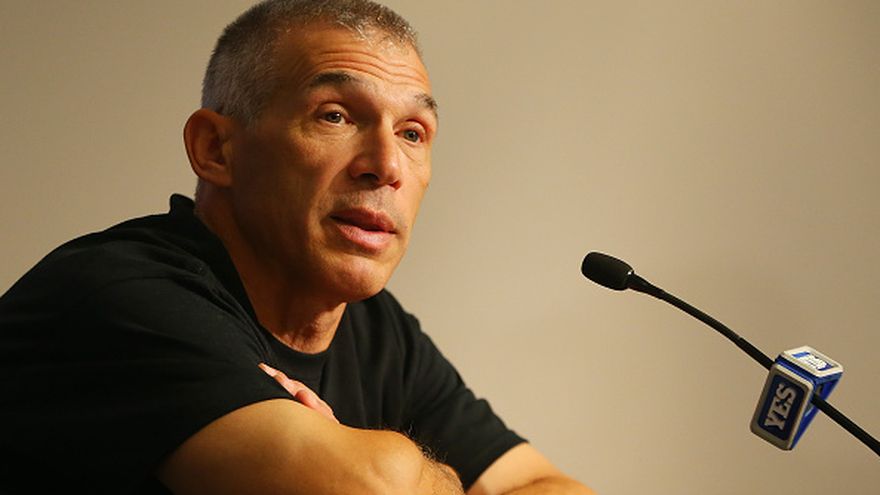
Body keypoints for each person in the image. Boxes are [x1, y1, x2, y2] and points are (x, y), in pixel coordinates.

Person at [0, 1, 594, 494]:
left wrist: (406, 470)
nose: (387, 165)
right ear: (215, 149)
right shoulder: (117, 296)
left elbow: (552, 487)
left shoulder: (377, 332)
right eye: (336, 116)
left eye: (412, 133)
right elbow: (375, 490)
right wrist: (420, 472)